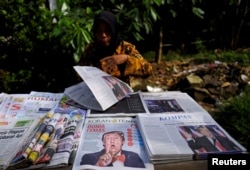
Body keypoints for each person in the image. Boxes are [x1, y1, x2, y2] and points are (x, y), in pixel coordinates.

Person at [78, 10, 153, 85]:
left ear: (114, 31)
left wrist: (126, 59)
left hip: (120, 94)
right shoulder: (91, 49)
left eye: (107, 31)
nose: (103, 35)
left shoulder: (125, 47)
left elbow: (148, 70)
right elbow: (80, 74)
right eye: (99, 32)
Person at [80, 131, 145, 168]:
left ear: (123, 142)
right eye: (108, 139)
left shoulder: (134, 156)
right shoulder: (88, 157)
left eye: (116, 138)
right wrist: (98, 165)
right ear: (104, 143)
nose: (112, 141)